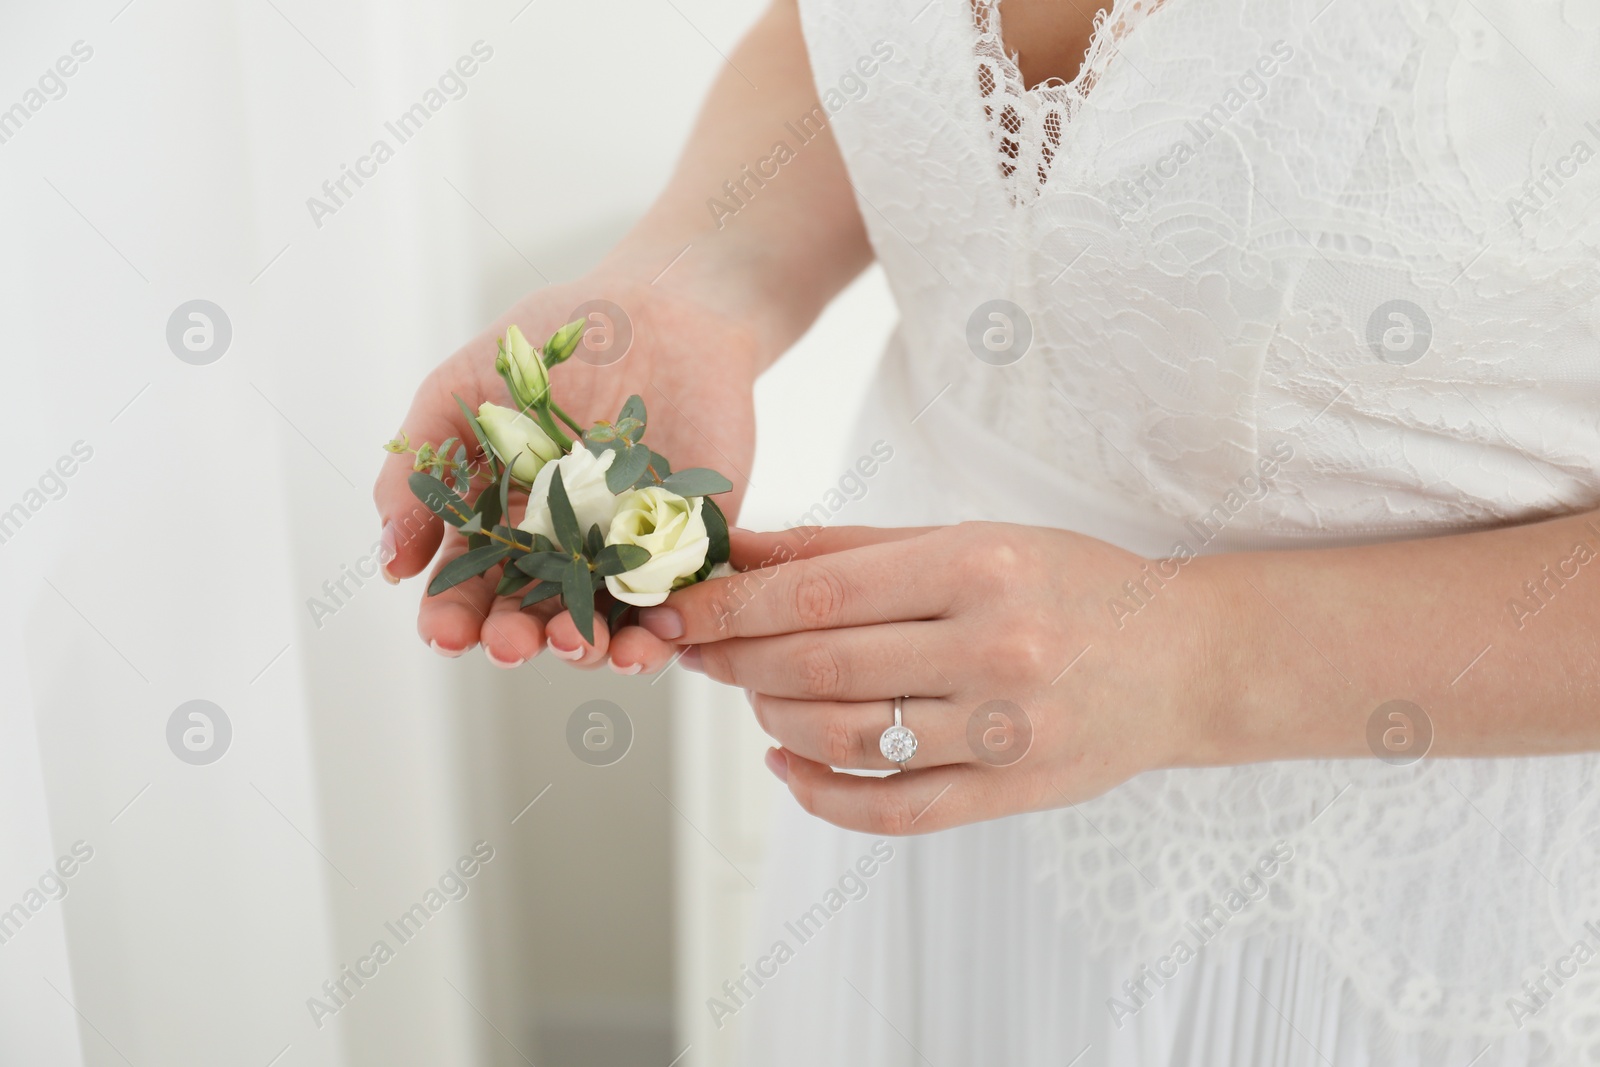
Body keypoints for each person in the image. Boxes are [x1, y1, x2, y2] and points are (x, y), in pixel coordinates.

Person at [374, 0, 1600, 1062]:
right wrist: (698, 280)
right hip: (933, 791)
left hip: (1419, 917)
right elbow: (871, 46)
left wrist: (1199, 659)